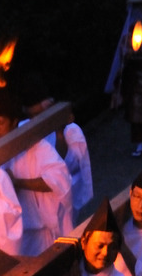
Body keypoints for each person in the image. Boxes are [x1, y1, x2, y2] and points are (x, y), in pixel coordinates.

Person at [0, 88, 73, 256]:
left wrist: (18, 183)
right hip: (12, 236)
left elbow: (59, 179)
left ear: (14, 122)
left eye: (0, 123)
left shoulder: (34, 142)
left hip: (39, 233)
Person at [19, 74, 93, 224]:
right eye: (32, 115)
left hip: (62, 202)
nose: (36, 120)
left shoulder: (71, 131)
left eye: (39, 115)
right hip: (34, 207)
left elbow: (65, 167)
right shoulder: (23, 128)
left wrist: (59, 131)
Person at [106, 0, 142, 157]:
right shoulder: (137, 25)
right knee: (139, 110)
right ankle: (141, 143)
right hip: (140, 75)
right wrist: (133, 53)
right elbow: (126, 45)